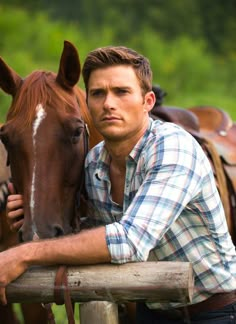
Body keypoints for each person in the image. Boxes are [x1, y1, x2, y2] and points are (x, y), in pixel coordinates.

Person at [2, 46, 236, 324]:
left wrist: (23, 254)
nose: (108, 104)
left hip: (215, 312)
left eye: (121, 92)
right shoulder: (95, 164)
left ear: (148, 101)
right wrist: (35, 215)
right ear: (86, 102)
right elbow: (94, 234)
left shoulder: (173, 147)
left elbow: (128, 241)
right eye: (98, 93)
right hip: (153, 311)